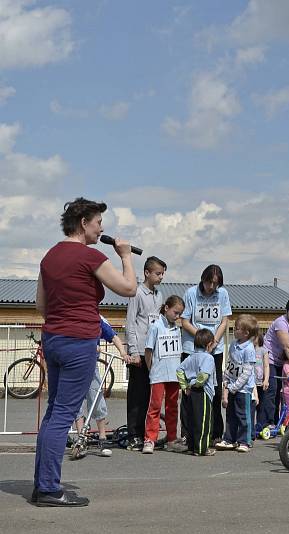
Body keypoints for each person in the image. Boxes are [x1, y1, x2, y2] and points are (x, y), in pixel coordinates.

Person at [33, 197, 137, 507]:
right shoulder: (89, 257)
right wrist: (126, 256)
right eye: (98, 223)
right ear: (83, 224)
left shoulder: (49, 257)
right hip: (79, 341)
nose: (101, 228)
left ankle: (43, 484)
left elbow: (41, 306)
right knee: (63, 415)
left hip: (53, 338)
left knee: (54, 413)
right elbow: (129, 288)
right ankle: (50, 489)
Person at [180, 265, 232, 442]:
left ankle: (215, 432)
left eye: (215, 283)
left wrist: (214, 341)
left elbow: (224, 321)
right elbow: (185, 321)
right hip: (192, 348)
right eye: (209, 282)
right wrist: (201, 339)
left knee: (215, 390)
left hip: (214, 350)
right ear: (203, 279)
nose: (211, 286)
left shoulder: (222, 294)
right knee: (189, 389)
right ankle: (188, 433)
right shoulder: (191, 293)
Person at [125, 256, 166, 451]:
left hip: (153, 351)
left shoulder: (159, 295)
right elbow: (131, 322)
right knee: (137, 395)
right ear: (147, 273)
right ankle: (133, 434)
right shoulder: (137, 293)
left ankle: (147, 434)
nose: (161, 277)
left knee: (151, 394)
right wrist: (133, 351)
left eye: (162, 274)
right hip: (139, 351)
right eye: (158, 273)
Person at [74, 316, 127, 458]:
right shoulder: (75, 316)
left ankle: (102, 438)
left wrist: (122, 352)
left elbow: (113, 336)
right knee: (76, 402)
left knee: (96, 398)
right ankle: (81, 438)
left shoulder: (97, 319)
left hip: (91, 366)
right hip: (74, 364)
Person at [142, 295, 186, 454]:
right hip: (158, 374)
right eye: (176, 312)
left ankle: (172, 438)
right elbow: (148, 351)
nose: (178, 316)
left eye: (180, 314)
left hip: (174, 374)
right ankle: (149, 439)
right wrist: (151, 369)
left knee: (172, 406)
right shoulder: (155, 327)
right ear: (166, 308)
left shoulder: (177, 328)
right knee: (154, 407)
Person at [217, 314, 259, 453]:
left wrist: (235, 387)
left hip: (243, 389)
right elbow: (230, 364)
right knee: (230, 414)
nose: (234, 330)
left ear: (246, 333)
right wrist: (226, 380)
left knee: (243, 415)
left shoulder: (249, 349)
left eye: (237, 329)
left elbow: (247, 372)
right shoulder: (234, 345)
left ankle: (244, 441)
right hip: (232, 385)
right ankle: (229, 439)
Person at [263, 297, 289, 429]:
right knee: (272, 389)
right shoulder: (280, 323)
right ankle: (267, 422)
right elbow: (287, 346)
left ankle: (278, 421)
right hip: (270, 358)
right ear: (287, 311)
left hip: (285, 359)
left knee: (283, 393)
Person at [177, 329, 217, 456]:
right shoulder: (208, 358)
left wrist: (185, 386)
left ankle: (191, 446)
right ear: (209, 344)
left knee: (192, 419)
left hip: (191, 392)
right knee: (204, 421)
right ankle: (201, 448)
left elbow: (179, 370)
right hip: (203, 391)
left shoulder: (190, 357)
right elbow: (204, 375)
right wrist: (196, 383)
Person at [252, 334, 270, 440]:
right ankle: (252, 429)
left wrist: (266, 379)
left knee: (261, 406)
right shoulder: (249, 349)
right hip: (251, 383)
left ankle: (260, 426)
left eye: (254, 337)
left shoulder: (263, 350)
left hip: (260, 383)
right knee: (253, 405)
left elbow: (266, 365)